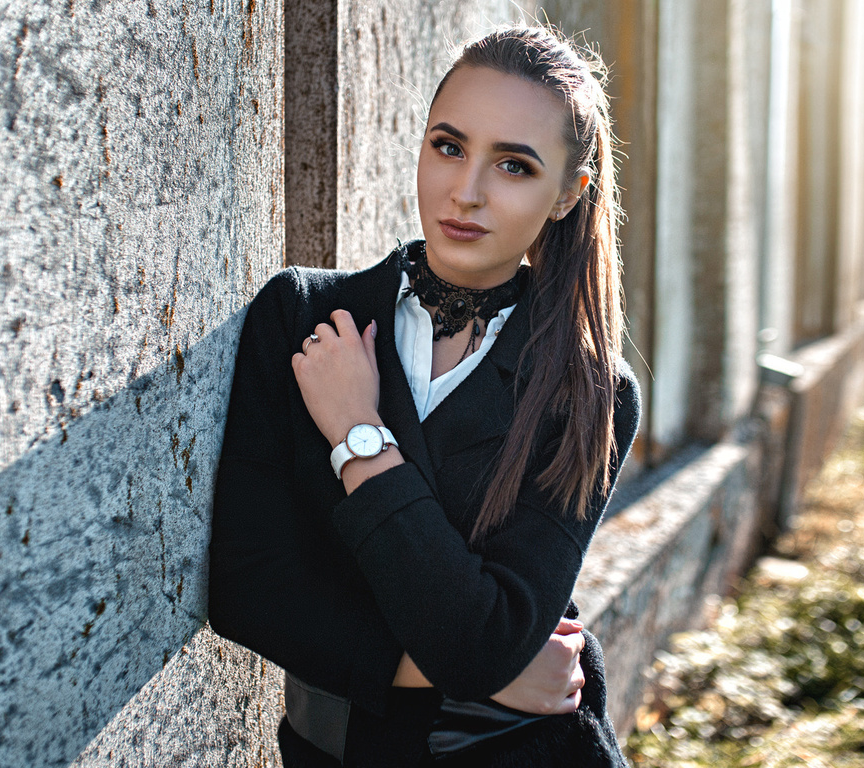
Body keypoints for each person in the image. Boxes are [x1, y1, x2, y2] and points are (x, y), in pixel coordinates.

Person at [208, 24, 641, 767]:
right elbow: (247, 588)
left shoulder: (591, 390)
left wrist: (357, 434)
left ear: (568, 194)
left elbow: (488, 636)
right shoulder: (302, 318)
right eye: (449, 146)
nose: (464, 192)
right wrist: (465, 666)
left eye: (513, 165)